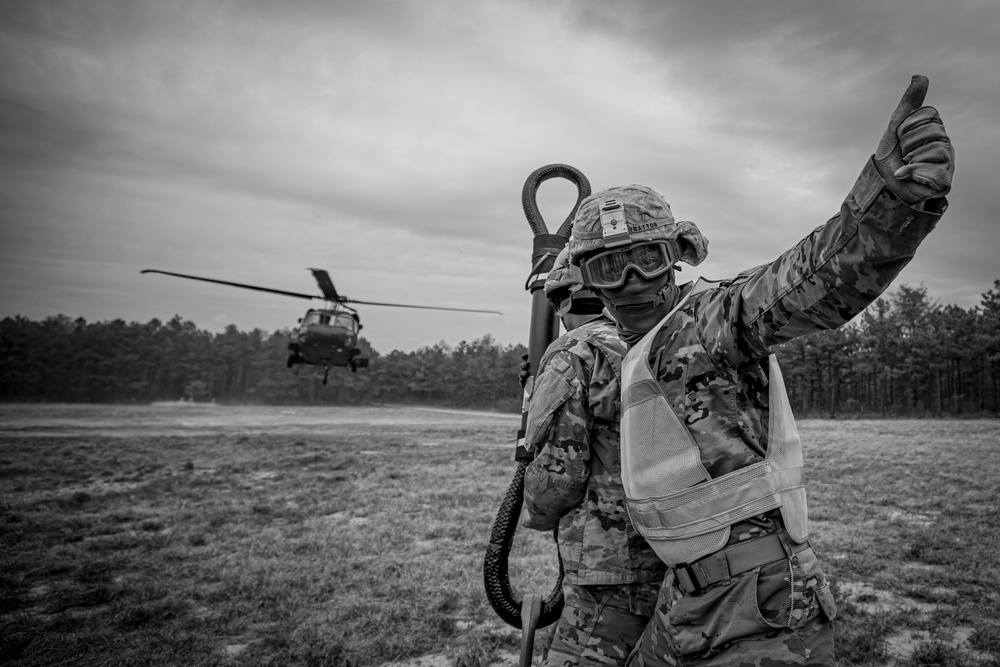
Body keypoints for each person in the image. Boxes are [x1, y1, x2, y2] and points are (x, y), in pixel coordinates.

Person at [565, 75, 954, 666]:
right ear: (588, 281)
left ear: (678, 259)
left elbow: (808, 281)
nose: (633, 284)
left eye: (648, 259)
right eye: (610, 268)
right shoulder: (628, 352)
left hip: (762, 612)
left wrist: (890, 206)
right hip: (690, 600)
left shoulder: (710, 321)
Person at [520, 247, 668, 666]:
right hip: (689, 553)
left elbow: (557, 477)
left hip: (613, 565)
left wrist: (539, 514)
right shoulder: (667, 340)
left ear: (563, 304)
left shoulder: (575, 353)